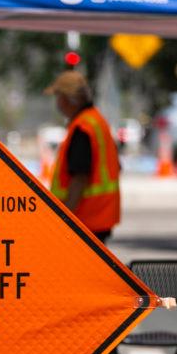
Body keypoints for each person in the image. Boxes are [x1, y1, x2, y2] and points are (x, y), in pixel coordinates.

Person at [45, 70, 121, 242]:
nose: (58, 103)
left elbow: (79, 178)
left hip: (85, 222)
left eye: (59, 97)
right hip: (101, 218)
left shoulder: (83, 128)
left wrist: (64, 220)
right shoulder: (97, 121)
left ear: (68, 99)